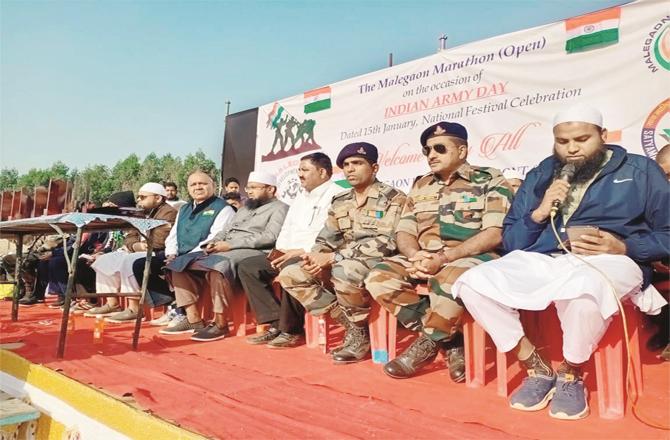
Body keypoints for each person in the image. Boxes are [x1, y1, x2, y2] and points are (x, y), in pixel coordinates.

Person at [452, 104, 669, 420]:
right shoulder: (542, 173)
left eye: (582, 139)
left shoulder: (639, 170)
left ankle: (571, 372)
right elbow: (513, 241)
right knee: (472, 282)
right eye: (563, 141)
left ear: (603, 136)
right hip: (547, 258)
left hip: (612, 260)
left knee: (584, 292)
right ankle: (536, 368)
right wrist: (539, 212)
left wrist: (624, 245)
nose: (572, 148)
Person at [365, 122, 512, 381]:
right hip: (425, 257)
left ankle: (427, 343)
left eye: (440, 148)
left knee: (447, 279)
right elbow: (405, 231)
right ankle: (451, 340)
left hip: (473, 257)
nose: (431, 155)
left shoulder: (490, 179)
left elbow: (494, 233)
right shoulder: (421, 185)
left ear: (462, 151)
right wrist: (414, 256)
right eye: (427, 150)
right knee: (378, 277)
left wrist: (443, 259)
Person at [278, 142, 406, 363]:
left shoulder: (393, 198)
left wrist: (334, 257)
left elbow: (388, 242)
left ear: (374, 168)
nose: (350, 169)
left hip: (379, 261)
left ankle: (359, 333)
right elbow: (328, 236)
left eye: (357, 163)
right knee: (292, 273)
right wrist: (315, 256)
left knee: (344, 270)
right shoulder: (341, 200)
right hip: (342, 259)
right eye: (346, 164)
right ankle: (352, 325)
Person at [160, 171, 288, 342]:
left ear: (271, 189)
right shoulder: (245, 208)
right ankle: (193, 319)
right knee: (178, 264)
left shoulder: (280, 208)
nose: (249, 191)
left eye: (254, 188)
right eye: (248, 187)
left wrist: (230, 245)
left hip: (253, 251)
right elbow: (225, 231)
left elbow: (269, 237)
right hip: (226, 248)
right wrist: (212, 243)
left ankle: (220, 324)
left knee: (217, 265)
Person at [240, 152, 343, 348]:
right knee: (248, 266)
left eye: (305, 170)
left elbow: (328, 234)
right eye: (299, 170)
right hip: (288, 251)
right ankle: (275, 323)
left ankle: (291, 330)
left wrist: (299, 251)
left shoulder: (336, 195)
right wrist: (281, 250)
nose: (300, 174)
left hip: (313, 254)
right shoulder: (300, 197)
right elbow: (287, 228)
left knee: (291, 268)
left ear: (322, 172)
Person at [84, 183, 177, 322]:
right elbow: (129, 237)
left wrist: (137, 246)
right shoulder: (141, 213)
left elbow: (159, 241)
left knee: (129, 261)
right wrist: (136, 245)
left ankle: (134, 309)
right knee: (104, 260)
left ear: (158, 198)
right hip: (140, 249)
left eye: (143, 197)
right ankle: (112, 304)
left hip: (158, 252)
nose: (138, 200)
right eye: (138, 197)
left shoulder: (168, 212)